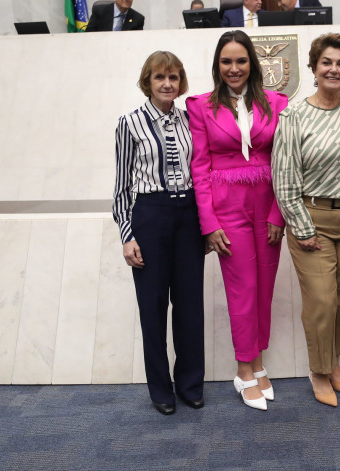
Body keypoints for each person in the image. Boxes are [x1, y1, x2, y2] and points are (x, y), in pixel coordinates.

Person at [272, 33, 340, 408]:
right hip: (312, 218)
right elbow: (283, 178)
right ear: (314, 69)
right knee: (322, 301)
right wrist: (300, 226)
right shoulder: (294, 115)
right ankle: (319, 371)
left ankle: (333, 360)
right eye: (327, 63)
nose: (334, 69)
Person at [186, 30, 288, 411]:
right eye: (226, 62)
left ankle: (259, 363)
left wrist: (279, 213)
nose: (234, 68)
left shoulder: (277, 103)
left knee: (264, 286)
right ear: (217, 65)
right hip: (227, 207)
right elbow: (199, 167)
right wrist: (209, 223)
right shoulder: (199, 106)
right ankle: (244, 370)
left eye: (241, 61)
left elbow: (284, 162)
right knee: (242, 290)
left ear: (252, 64)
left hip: (267, 203)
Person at [112, 51, 204, 415]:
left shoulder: (190, 121)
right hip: (150, 216)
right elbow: (121, 187)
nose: (168, 84)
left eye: (174, 77)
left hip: (189, 215)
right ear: (147, 81)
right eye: (160, 77)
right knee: (152, 308)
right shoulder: (130, 123)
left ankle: (190, 383)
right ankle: (160, 389)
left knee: (189, 305)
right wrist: (127, 235)